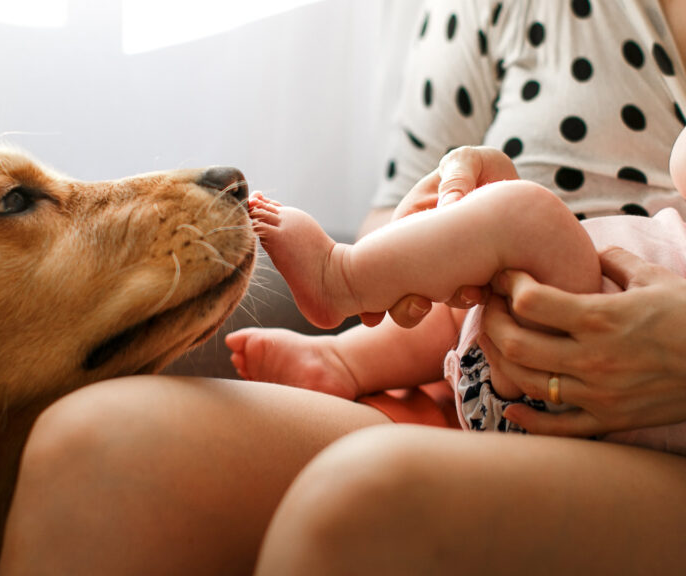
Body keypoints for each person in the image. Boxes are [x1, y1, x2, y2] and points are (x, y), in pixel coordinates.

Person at [0, 0, 686, 573]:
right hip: (484, 380)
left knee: (367, 498)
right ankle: (345, 342)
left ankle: (342, 282)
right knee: (97, 447)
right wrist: (445, 218)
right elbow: (401, 210)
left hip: (650, 444)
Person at [230, 141, 686, 451]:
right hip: (548, 357)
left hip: (595, 391)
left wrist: (497, 219)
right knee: (468, 294)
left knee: (526, 219)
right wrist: (456, 226)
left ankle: (341, 277)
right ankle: (343, 360)